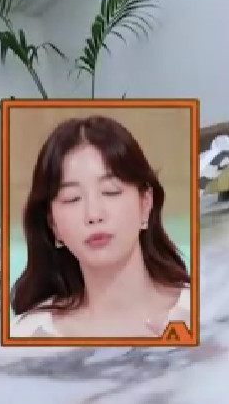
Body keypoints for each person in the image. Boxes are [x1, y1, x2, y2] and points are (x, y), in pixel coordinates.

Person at [10, 115, 191, 338]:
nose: (93, 215)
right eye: (72, 198)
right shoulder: (28, 336)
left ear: (145, 204)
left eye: (110, 191)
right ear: (53, 224)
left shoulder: (205, 312)